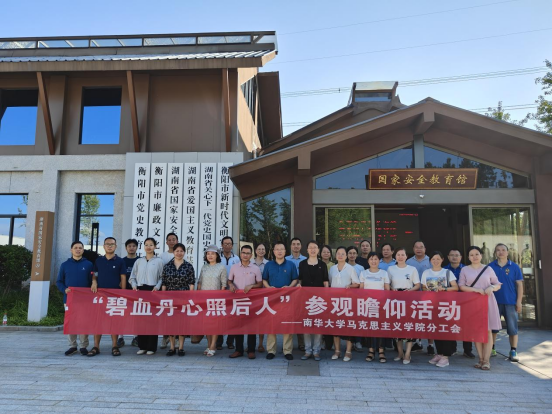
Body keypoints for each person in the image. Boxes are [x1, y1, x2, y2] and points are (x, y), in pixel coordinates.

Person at [458, 246, 502, 371]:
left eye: (477, 254)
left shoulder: (488, 269)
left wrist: (491, 287)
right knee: (476, 331)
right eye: (471, 255)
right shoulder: (465, 269)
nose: (475, 257)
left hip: (488, 301)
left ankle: (487, 360)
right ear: (468, 257)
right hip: (472, 302)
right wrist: (476, 290)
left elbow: (497, 284)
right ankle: (480, 359)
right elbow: (461, 286)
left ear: (481, 255)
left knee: (487, 330)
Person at [88, 237, 127, 357]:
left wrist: (123, 293)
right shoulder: (98, 260)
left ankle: (115, 346)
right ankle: (96, 346)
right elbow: (95, 273)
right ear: (104, 246)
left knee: (114, 321)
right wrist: (94, 281)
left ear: (116, 246)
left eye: (112, 244)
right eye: (107, 244)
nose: (110, 246)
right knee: (98, 321)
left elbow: (123, 277)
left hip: (115, 296)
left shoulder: (120, 261)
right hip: (100, 296)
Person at [421, 251, 459, 368]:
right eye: (433, 259)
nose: (436, 261)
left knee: (445, 329)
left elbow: (455, 287)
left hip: (445, 305)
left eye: (438, 259)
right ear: (430, 261)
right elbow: (423, 287)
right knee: (435, 329)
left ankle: (446, 356)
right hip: (432, 305)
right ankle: (439, 353)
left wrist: (444, 289)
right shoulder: (426, 272)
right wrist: (429, 290)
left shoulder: (447, 272)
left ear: (442, 259)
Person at [56, 241, 93, 356]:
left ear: (83, 250)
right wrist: (64, 289)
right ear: (71, 250)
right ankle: (72, 346)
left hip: (84, 299)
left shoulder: (89, 264)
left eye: (80, 248)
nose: (78, 250)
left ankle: (83, 346)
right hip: (69, 298)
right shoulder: (65, 265)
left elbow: (93, 280)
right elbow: (59, 281)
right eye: (75, 248)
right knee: (71, 322)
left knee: (83, 322)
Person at [263, 241, 298, 360]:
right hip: (272, 299)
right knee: (271, 324)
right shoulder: (268, 265)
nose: (279, 251)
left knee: (287, 324)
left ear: (285, 251)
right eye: (277, 249)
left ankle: (287, 351)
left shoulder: (291, 265)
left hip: (287, 299)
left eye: (281, 249)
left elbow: (295, 279)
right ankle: (271, 350)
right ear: (273, 251)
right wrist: (268, 288)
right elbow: (264, 279)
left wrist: (289, 287)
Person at [129, 238, 164, 355]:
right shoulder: (139, 261)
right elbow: (132, 277)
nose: (148, 247)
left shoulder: (159, 261)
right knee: (141, 319)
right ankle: (142, 346)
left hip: (153, 291)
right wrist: (134, 285)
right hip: (140, 291)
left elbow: (162, 277)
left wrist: (157, 287)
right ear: (143, 247)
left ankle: (151, 347)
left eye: (151, 245)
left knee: (152, 319)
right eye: (146, 245)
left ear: (155, 246)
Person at [490, 243, 524, 362]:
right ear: (495, 252)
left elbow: (519, 285)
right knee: (493, 327)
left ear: (507, 252)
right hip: (494, 302)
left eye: (503, 250)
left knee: (512, 328)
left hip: (510, 302)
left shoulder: (514, 267)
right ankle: (491, 348)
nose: (501, 252)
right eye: (498, 250)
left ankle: (513, 351)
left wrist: (519, 302)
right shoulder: (490, 267)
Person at [228, 245, 263, 359]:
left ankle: (251, 350)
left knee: (251, 326)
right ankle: (239, 350)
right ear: (240, 254)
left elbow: (260, 284)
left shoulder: (255, 268)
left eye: (248, 253)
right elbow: (229, 280)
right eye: (243, 253)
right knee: (238, 325)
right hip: (237, 301)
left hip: (251, 301)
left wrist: (252, 286)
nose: (245, 255)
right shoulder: (234, 267)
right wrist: (231, 285)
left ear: (251, 255)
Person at [161, 243, 195, 356]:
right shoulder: (167, 266)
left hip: (183, 297)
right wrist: (163, 297)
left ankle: (181, 347)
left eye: (181, 251)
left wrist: (190, 298)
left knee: (182, 323)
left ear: (184, 252)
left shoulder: (188, 266)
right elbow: (164, 283)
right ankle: (172, 347)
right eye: (177, 251)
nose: (179, 253)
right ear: (173, 252)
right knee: (171, 322)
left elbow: (191, 283)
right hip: (170, 297)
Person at [298, 241, 329, 361]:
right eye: (310, 247)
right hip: (305, 299)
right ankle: (307, 350)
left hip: (319, 300)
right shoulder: (302, 264)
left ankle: (316, 351)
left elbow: (325, 282)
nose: (312, 249)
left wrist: (327, 296)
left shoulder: (322, 264)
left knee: (318, 325)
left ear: (318, 250)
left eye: (315, 247)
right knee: (306, 324)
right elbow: (300, 280)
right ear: (307, 250)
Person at [388, 247, 420, 364]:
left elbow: (417, 285)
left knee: (408, 327)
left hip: (408, 300)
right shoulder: (391, 269)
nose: (400, 257)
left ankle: (407, 354)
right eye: (398, 255)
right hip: (395, 300)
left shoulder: (412, 269)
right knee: (397, 327)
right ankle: (400, 353)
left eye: (402, 255)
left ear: (406, 257)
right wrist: (392, 289)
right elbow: (387, 284)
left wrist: (409, 291)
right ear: (395, 256)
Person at [328, 246, 360, 362]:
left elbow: (357, 283)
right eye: (338, 253)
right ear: (335, 255)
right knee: (335, 326)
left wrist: (349, 286)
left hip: (347, 301)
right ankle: (337, 350)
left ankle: (348, 351)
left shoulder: (350, 269)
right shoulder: (332, 268)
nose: (340, 255)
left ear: (346, 256)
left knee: (348, 326)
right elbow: (330, 283)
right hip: (334, 302)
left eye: (343, 254)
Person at [197, 245, 226, 357]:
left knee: (215, 324)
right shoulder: (204, 267)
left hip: (216, 300)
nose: (210, 256)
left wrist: (221, 298)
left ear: (217, 255)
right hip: (204, 300)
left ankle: (213, 345)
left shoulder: (221, 267)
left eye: (213, 254)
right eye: (208, 254)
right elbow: (200, 282)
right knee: (206, 324)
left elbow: (223, 285)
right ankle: (209, 345)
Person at [359, 252, 389, 363]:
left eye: (376, 259)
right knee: (370, 328)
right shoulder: (363, 273)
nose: (373, 261)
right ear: (368, 261)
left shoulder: (384, 273)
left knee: (381, 328)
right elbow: (361, 290)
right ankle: (371, 350)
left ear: (379, 261)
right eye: (371, 259)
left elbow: (387, 290)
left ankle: (381, 350)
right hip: (368, 305)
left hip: (381, 305)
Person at [444, 249, 474, 358]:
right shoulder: (444, 270)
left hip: (465, 301)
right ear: (448, 257)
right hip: (449, 301)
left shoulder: (467, 269)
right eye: (452, 255)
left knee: (467, 325)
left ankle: (467, 349)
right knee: (451, 324)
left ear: (461, 257)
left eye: (457, 255)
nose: (454, 257)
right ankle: (452, 348)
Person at [406, 240, 432, 354]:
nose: (419, 249)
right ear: (413, 249)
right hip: (414, 295)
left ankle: (430, 344)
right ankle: (418, 342)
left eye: (421, 247)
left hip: (428, 295)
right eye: (416, 247)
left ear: (425, 249)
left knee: (429, 319)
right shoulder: (409, 261)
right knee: (416, 319)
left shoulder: (431, 260)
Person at [216, 236, 240, 350]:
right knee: (220, 315)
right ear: (221, 245)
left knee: (232, 316)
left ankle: (230, 341)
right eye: (225, 244)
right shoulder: (217, 257)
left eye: (229, 244)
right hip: (219, 289)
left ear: (232, 245)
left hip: (232, 290)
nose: (227, 246)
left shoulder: (236, 258)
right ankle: (219, 342)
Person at [286, 237, 307, 351]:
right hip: (288, 292)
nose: (296, 246)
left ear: (301, 246)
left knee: (300, 317)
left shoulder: (306, 260)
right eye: (293, 244)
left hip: (301, 293)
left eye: (298, 244)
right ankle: (287, 345)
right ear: (290, 246)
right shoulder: (285, 259)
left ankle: (301, 343)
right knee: (288, 318)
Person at [158, 233, 178, 350]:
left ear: (177, 241)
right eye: (169, 240)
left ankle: (176, 339)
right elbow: (161, 273)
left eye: (173, 239)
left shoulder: (181, 254)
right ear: (166, 242)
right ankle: (165, 337)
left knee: (177, 315)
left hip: (179, 290)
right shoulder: (162, 256)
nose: (171, 241)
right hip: (166, 288)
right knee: (166, 314)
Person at [120, 239, 139, 348]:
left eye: (133, 246)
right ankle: (120, 337)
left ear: (137, 247)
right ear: (126, 248)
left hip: (136, 292)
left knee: (135, 315)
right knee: (122, 315)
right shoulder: (121, 261)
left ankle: (135, 337)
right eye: (129, 246)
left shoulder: (140, 261)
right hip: (123, 292)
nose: (131, 248)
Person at [346, 246, 365, 352]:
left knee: (357, 319)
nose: (352, 255)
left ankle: (358, 341)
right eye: (350, 253)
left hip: (358, 297)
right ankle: (349, 341)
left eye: (354, 253)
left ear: (357, 255)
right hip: (345, 297)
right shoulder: (343, 266)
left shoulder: (361, 268)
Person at [253, 243, 269, 353]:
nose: (261, 251)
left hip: (264, 294)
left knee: (262, 320)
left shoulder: (268, 264)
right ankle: (251, 344)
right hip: (252, 295)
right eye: (259, 249)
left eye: (263, 249)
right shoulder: (250, 262)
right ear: (255, 250)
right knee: (252, 320)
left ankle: (260, 344)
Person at [320, 244, 335, 351]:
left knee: (330, 319)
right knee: (321, 319)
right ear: (320, 253)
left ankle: (331, 342)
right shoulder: (317, 264)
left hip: (332, 296)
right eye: (324, 252)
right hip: (320, 295)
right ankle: (321, 341)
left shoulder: (334, 266)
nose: (326, 253)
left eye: (328, 252)